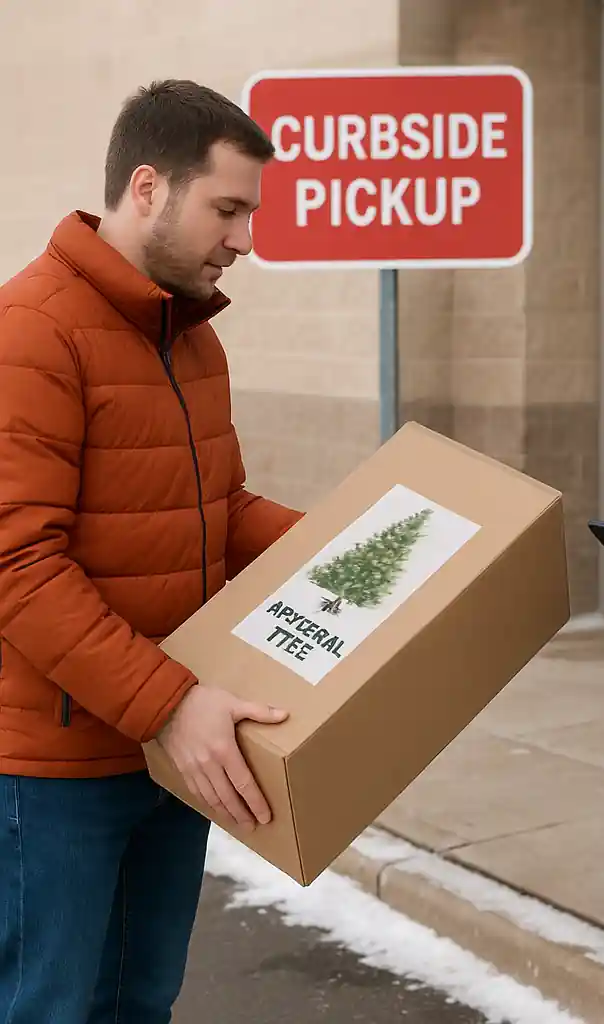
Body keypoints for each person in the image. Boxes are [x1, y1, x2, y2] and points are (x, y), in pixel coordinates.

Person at [0, 80, 303, 1022]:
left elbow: (222, 508)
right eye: (228, 208)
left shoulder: (189, 333)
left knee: (139, 1004)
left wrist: (356, 558)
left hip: (170, 752)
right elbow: (19, 568)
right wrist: (170, 703)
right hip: (54, 775)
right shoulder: (31, 333)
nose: (244, 239)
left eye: (249, 212)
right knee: (48, 1008)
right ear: (146, 187)